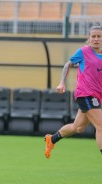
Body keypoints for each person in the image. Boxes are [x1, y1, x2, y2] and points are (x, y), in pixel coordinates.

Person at [44, 24, 102, 159]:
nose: (96, 39)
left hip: (96, 96)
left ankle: (52, 139)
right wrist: (62, 82)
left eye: (99, 36)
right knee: (101, 125)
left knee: (78, 128)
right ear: (89, 38)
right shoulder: (83, 51)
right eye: (93, 36)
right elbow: (68, 64)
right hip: (85, 94)